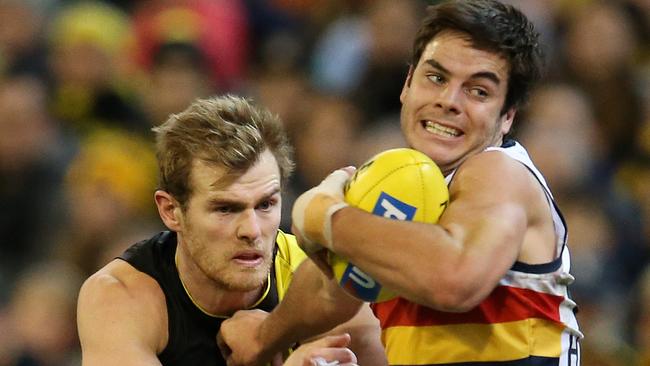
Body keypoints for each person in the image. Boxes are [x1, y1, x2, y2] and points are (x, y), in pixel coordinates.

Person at [219, 0, 583, 365]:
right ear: (408, 84)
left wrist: (325, 216)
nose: (448, 101)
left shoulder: (500, 173)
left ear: (507, 117)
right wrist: (264, 337)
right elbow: (333, 291)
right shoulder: (405, 182)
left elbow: (455, 279)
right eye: (436, 78)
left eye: (478, 91)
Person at [76, 95, 386, 366]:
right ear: (171, 211)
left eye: (265, 205)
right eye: (225, 209)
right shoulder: (121, 297)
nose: (252, 230)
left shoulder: (321, 283)